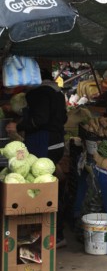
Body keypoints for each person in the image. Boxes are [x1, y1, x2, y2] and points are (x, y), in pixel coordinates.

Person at [5, 68, 68, 247]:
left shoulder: (39, 93)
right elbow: (61, 118)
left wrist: (19, 126)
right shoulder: (56, 92)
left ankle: (55, 234)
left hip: (44, 143)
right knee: (52, 184)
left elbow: (39, 119)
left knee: (42, 189)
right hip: (56, 142)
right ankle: (52, 232)